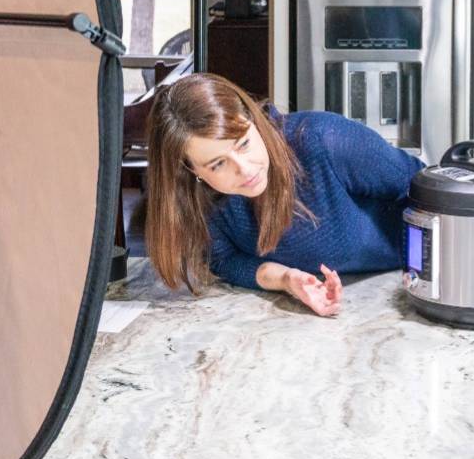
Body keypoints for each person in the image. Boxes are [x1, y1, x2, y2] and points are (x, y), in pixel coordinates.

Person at [145, 74, 423, 316]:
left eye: (243, 144)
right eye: (218, 164)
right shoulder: (201, 198)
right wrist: (286, 279)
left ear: (253, 119)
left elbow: (424, 186)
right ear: (190, 170)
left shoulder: (322, 140)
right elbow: (224, 260)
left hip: (411, 287)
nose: (245, 169)